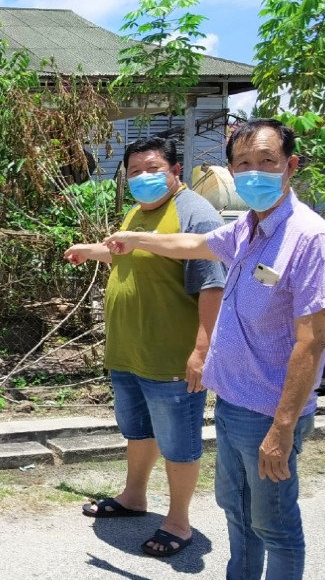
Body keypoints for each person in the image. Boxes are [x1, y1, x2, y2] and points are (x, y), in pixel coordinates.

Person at [105, 119, 325, 580]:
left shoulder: (309, 237)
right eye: (244, 164)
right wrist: (135, 240)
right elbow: (194, 246)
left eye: (267, 162)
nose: (255, 172)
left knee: (274, 522)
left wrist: (282, 427)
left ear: (290, 166)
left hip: (270, 412)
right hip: (234, 401)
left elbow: (312, 340)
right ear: (232, 171)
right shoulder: (250, 228)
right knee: (237, 510)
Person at [64, 137, 227, 558]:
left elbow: (213, 285)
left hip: (171, 356)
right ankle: (134, 497)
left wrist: (201, 351)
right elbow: (129, 255)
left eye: (152, 169)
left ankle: (178, 522)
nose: (142, 177)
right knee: (138, 431)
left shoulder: (195, 214)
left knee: (179, 442)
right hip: (130, 350)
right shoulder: (139, 210)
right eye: (134, 171)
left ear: (175, 171)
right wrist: (92, 251)